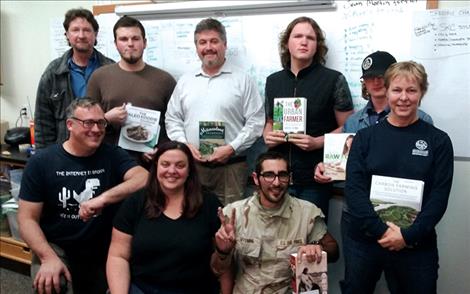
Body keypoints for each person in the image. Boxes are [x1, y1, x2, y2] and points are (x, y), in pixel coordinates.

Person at [342, 61, 454, 294]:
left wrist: (407, 235)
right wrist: (381, 231)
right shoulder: (364, 138)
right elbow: (354, 189)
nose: (404, 97)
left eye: (411, 90)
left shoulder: (438, 141)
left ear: (422, 93)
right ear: (387, 91)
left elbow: (438, 197)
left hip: (415, 243)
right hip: (364, 241)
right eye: (397, 90)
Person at [18, 97, 148, 294]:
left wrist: (103, 198)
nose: (96, 129)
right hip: (57, 247)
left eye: (100, 122)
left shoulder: (112, 155)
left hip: (104, 247)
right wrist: (47, 257)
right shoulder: (42, 162)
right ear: (70, 125)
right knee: (51, 284)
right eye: (88, 123)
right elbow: (27, 219)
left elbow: (143, 177)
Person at [165, 18, 265, 205]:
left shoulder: (243, 80)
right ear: (196, 47)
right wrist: (184, 144)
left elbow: (256, 122)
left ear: (224, 44)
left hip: (231, 168)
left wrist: (231, 147)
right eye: (202, 42)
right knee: (193, 217)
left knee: (229, 221)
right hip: (192, 167)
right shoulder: (186, 81)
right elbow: (172, 118)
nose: (208, 47)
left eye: (214, 41)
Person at [263, 16, 354, 219]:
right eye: (297, 36)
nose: (303, 42)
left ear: (317, 45)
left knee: (311, 243)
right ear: (287, 43)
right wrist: (267, 136)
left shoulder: (334, 79)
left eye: (310, 38)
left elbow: (349, 126)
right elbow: (269, 122)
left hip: (315, 177)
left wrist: (317, 142)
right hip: (277, 179)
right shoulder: (273, 81)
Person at [211, 151, 339, 293]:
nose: (276, 183)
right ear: (256, 179)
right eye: (269, 175)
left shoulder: (306, 212)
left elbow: (334, 250)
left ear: (289, 178)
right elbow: (217, 270)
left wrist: (317, 248)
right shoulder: (234, 214)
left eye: (282, 175)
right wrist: (222, 251)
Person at [107, 141, 222, 294]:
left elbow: (222, 263)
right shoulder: (135, 203)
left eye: (180, 165)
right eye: (165, 164)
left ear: (189, 171)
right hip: (142, 289)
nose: (171, 170)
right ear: (155, 168)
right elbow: (118, 256)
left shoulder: (209, 204)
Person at [314, 51, 433, 182]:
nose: (376, 81)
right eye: (369, 77)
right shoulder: (353, 122)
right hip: (360, 195)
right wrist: (327, 169)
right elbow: (346, 167)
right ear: (364, 81)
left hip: (401, 195)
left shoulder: (421, 119)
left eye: (381, 75)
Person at [87, 16, 176, 167]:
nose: (130, 44)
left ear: (145, 42)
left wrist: (161, 149)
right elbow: (86, 123)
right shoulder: (99, 77)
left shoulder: (165, 80)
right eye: (123, 39)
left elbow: (174, 124)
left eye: (135, 38)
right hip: (109, 163)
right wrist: (106, 118)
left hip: (152, 165)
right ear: (115, 44)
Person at [34, 8, 114, 149]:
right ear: (67, 35)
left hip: (104, 151)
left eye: (87, 30)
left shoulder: (111, 69)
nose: (81, 35)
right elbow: (43, 124)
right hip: (65, 154)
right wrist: (45, 160)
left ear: (95, 34)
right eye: (75, 30)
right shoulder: (53, 73)